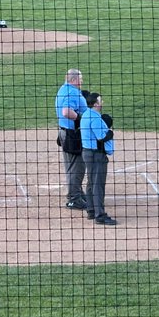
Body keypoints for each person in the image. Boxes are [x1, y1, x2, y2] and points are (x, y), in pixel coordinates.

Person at [79, 91, 116, 225]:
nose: (102, 103)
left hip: (88, 153)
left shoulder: (86, 115)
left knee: (91, 182)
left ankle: (91, 210)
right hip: (96, 155)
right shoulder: (95, 118)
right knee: (98, 185)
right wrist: (110, 133)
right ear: (95, 104)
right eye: (100, 101)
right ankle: (100, 215)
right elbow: (102, 137)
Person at [55, 69, 88, 210]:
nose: (82, 81)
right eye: (80, 79)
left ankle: (77, 194)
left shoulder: (63, 89)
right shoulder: (71, 92)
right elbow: (66, 111)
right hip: (72, 134)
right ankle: (75, 198)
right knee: (78, 167)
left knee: (71, 165)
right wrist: (81, 119)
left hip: (65, 132)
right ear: (74, 80)